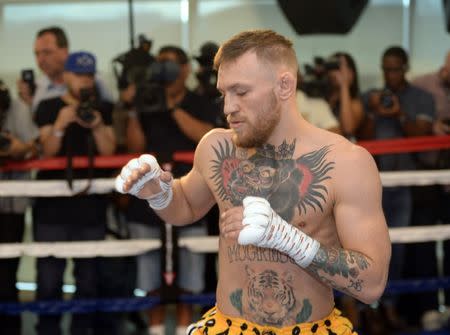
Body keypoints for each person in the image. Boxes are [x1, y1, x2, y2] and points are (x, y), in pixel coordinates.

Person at [116, 29, 391, 335]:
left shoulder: (346, 162)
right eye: (224, 93)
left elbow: (373, 283)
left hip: (312, 327)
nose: (228, 107)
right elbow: (186, 208)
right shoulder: (217, 148)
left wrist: (290, 240)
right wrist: (159, 193)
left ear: (284, 85)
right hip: (227, 326)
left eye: (241, 92)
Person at [122, 45, 216, 335]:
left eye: (171, 64)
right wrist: (137, 110)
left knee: (190, 273)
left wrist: (172, 107)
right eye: (159, 64)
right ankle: (156, 329)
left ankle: (186, 329)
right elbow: (134, 148)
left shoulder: (199, 101)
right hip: (148, 202)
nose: (164, 71)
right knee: (150, 273)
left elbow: (206, 138)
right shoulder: (146, 98)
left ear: (185, 69)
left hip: (193, 198)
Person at [33, 51, 116, 335]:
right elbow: (47, 150)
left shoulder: (103, 107)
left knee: (88, 278)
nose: (84, 80)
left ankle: (83, 330)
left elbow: (109, 150)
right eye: (79, 75)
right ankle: (47, 330)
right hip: (51, 208)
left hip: (90, 205)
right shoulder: (47, 106)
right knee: (48, 280)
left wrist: (97, 125)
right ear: (66, 76)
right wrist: (60, 124)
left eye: (89, 75)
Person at [362, 46, 435, 330]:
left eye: (394, 68)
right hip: (372, 186)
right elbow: (362, 137)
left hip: (404, 185)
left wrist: (400, 115)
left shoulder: (420, 98)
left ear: (404, 68)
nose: (389, 74)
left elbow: (422, 134)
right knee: (368, 248)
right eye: (385, 68)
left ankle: (391, 307)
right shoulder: (372, 98)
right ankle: (371, 309)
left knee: (398, 250)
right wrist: (374, 113)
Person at [0, 80, 38, 335]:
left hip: (10, 207)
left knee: (5, 277)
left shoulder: (18, 109)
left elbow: (35, 147)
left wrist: (20, 149)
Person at [17, 26, 112, 112]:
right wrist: (28, 105)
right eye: (37, 54)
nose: (40, 60)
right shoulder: (37, 87)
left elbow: (112, 116)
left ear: (65, 51)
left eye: (47, 52)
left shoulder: (96, 81)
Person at [326, 52, 366, 140]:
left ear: (352, 73)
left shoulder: (356, 104)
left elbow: (348, 129)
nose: (336, 73)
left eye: (340, 69)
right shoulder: (323, 99)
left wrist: (344, 84)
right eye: (333, 68)